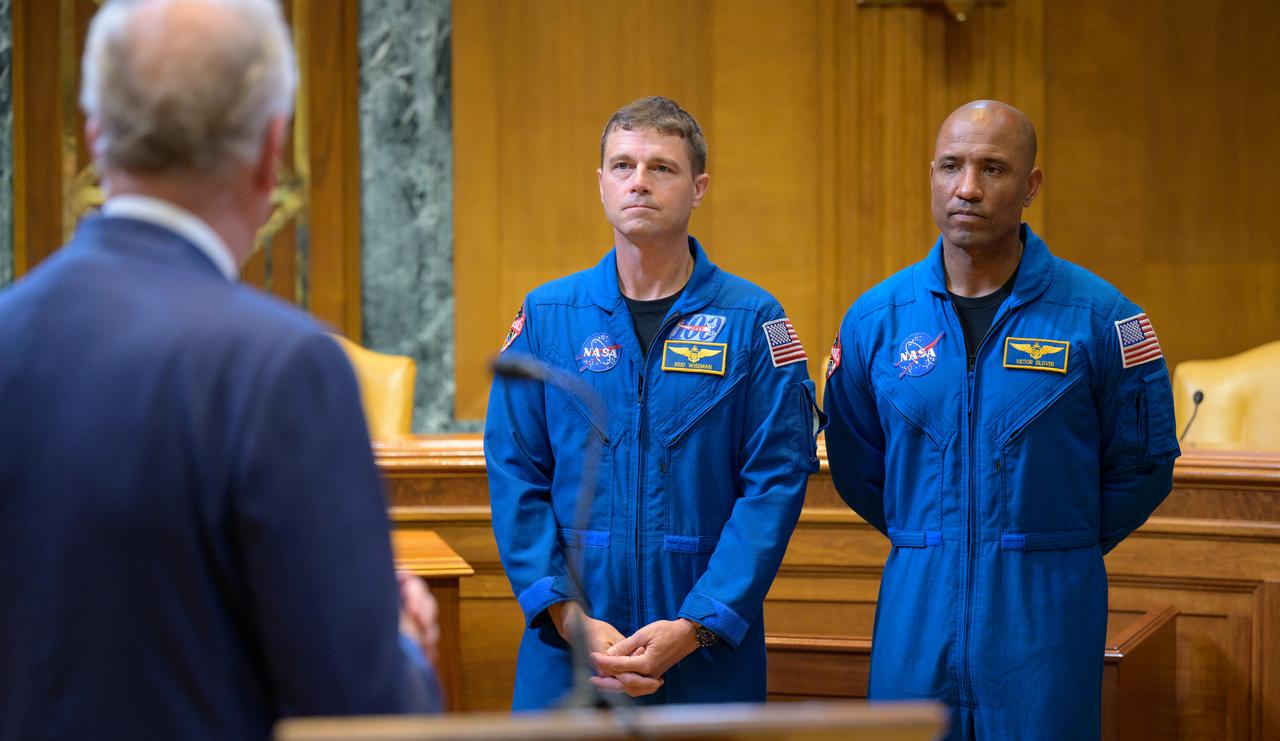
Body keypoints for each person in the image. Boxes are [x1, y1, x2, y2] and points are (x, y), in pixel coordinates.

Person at [0, 1, 442, 738]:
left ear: (93, 138)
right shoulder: (285, 368)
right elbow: (363, 712)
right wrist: (401, 641)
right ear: (273, 150)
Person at [822, 100, 1179, 740]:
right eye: (952, 167)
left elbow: (1144, 467)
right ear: (931, 175)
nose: (968, 188)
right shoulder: (876, 320)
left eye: (993, 169)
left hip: (1044, 610)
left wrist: (1050, 541)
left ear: (1030, 187)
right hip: (917, 602)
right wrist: (942, 533)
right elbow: (856, 465)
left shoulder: (1101, 319)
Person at [484, 96, 824, 709]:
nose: (638, 181)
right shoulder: (546, 316)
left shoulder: (753, 321)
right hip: (570, 646)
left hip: (705, 647)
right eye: (622, 165)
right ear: (601, 183)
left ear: (699, 187)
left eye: (661, 168)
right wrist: (569, 617)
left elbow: (774, 484)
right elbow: (514, 473)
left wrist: (696, 625)